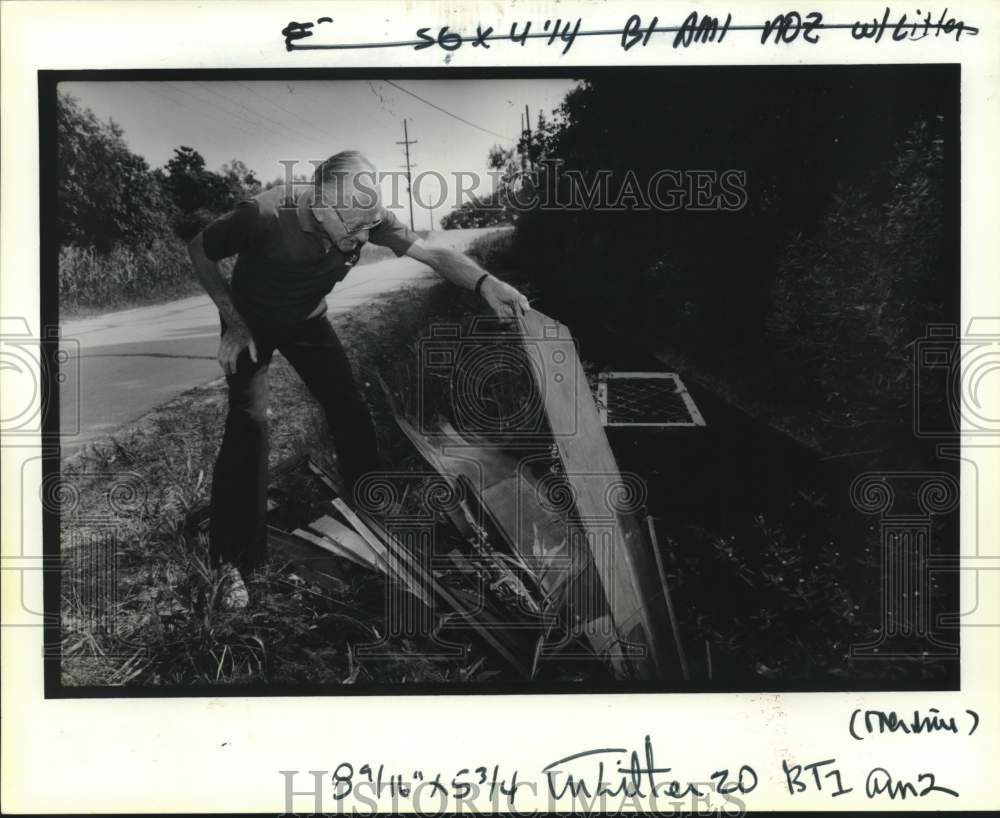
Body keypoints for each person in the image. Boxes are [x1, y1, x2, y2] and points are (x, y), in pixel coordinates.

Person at [188, 150, 528, 609]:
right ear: (319, 207)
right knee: (251, 420)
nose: (365, 238)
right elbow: (200, 248)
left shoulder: (364, 212)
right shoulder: (264, 214)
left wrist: (485, 282)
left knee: (348, 404)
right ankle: (231, 561)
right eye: (353, 230)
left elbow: (431, 253)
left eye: (370, 226)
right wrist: (232, 320)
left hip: (307, 319)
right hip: (253, 321)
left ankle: (372, 505)